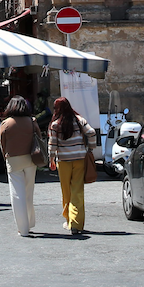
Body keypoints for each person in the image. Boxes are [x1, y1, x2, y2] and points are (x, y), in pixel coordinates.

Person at [48, 96, 96, 234]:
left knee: (66, 191)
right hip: (79, 159)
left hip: (63, 161)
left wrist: (51, 159)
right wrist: (90, 149)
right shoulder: (79, 120)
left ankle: (69, 220)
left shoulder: (55, 124)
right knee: (77, 191)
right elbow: (91, 132)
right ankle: (76, 223)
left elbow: (52, 144)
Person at [0, 96, 38, 236]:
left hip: (14, 160)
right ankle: (30, 221)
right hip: (31, 159)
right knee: (28, 192)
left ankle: (23, 228)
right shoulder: (32, 121)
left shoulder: (6, 124)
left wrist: (6, 157)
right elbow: (39, 138)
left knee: (17, 194)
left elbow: (2, 144)